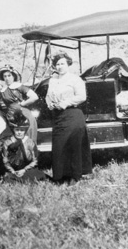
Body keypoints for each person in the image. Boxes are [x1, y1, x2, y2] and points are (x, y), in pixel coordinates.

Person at [45, 52, 92, 185]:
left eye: (62, 64)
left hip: (73, 115)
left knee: (73, 146)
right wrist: (50, 103)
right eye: (57, 64)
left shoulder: (75, 79)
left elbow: (81, 96)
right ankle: (60, 177)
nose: (60, 67)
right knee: (59, 147)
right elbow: (48, 96)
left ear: (68, 64)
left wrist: (65, 103)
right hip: (58, 117)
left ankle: (74, 177)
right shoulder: (53, 80)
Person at [0, 65, 39, 143]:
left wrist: (23, 103)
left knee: (27, 141)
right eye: (5, 76)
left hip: (24, 116)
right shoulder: (2, 90)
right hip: (11, 117)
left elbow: (34, 97)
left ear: (13, 77)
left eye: (9, 76)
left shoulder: (19, 87)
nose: (7, 78)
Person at [1, 110, 47, 183]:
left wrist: (24, 170)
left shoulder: (30, 142)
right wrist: (13, 171)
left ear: (25, 131)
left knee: (37, 174)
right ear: (13, 130)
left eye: (22, 130)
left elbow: (35, 160)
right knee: (8, 178)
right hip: (13, 170)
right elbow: (5, 160)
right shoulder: (8, 143)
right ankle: (17, 178)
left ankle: (24, 179)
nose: (19, 132)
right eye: (17, 130)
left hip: (26, 169)